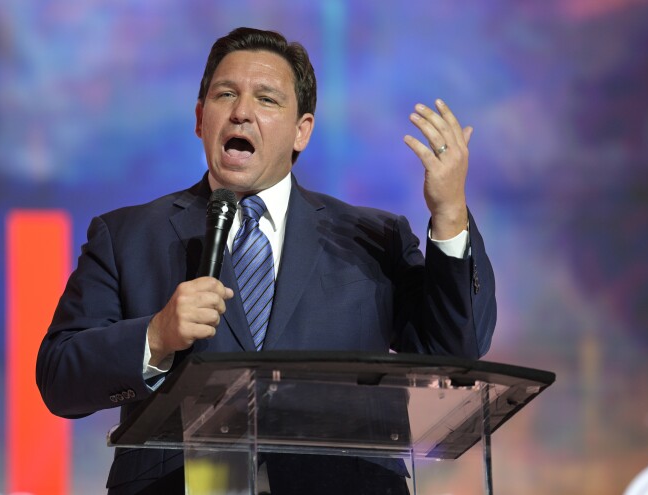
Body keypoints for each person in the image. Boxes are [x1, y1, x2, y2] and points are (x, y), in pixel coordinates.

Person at [37, 27, 496, 494]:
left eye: (267, 99)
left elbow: (456, 351)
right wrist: (155, 337)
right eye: (225, 94)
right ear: (200, 118)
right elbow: (58, 377)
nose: (241, 112)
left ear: (302, 131)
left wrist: (449, 213)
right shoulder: (127, 236)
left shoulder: (373, 238)